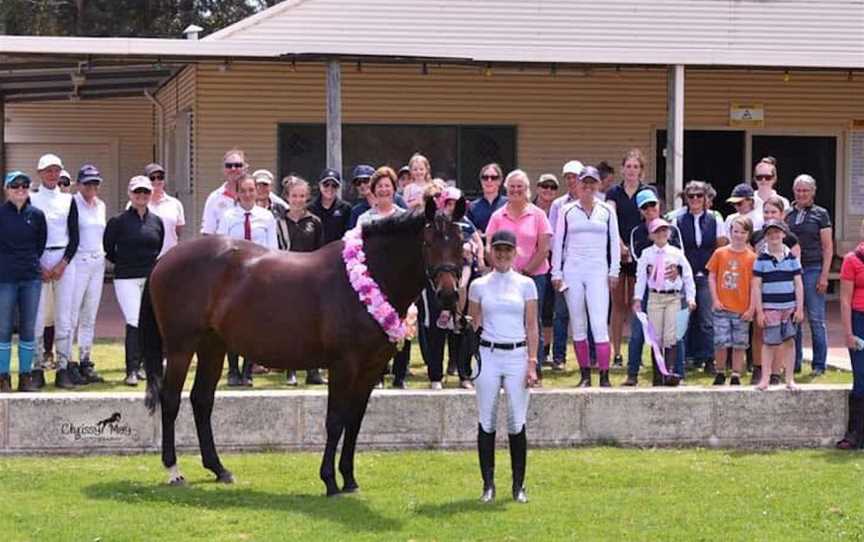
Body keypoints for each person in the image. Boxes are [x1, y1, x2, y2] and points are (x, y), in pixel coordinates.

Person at [467, 229, 538, 504]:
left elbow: (531, 325)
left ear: (515, 252)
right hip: (488, 354)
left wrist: (532, 362)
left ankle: (518, 486)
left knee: (516, 420)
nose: (503, 254)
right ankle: (488, 485)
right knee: (486, 420)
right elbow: (474, 324)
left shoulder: (525, 284)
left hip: (517, 355)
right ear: (491, 252)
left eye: (508, 250)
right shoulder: (479, 285)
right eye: (498, 249)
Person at [551, 166, 620, 387]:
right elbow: (558, 242)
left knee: (599, 323)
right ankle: (585, 375)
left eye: (592, 183)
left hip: (598, 270)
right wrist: (557, 272)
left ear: (598, 185)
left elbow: (614, 242)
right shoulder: (567, 211)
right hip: (573, 270)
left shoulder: (607, 210)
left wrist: (614, 271)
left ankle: (605, 376)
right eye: (584, 183)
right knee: (578, 323)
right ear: (578, 186)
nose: (588, 187)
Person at [487, 170, 552, 380]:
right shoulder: (498, 216)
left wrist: (525, 272)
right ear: (506, 189)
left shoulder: (538, 215)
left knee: (533, 321)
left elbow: (543, 249)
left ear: (527, 190)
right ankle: (507, 368)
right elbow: (489, 247)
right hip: (503, 277)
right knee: (507, 319)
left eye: (520, 187)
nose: (516, 190)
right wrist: (503, 269)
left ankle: (535, 368)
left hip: (534, 277)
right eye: (512, 187)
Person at [217, 175, 278, 386]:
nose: (248, 194)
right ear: (237, 193)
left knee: (252, 325)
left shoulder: (266, 217)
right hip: (234, 278)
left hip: (258, 278)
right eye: (243, 190)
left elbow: (272, 249)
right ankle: (233, 371)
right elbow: (221, 247)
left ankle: (248, 372)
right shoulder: (228, 216)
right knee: (232, 325)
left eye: (251, 190)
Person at [104, 176, 164, 386]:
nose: (141, 196)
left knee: (151, 321)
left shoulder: (156, 221)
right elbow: (109, 249)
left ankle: (145, 366)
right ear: (130, 194)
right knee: (134, 320)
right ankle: (131, 370)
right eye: (137, 192)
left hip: (150, 277)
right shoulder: (118, 222)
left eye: (145, 192)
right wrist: (124, 263)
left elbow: (159, 247)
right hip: (126, 277)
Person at [29, 153, 80, 389]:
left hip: (63, 260)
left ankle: (63, 367)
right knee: (38, 317)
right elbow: (27, 236)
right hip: (38, 260)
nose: (52, 174)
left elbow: (74, 235)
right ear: (40, 173)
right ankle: (37, 368)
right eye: (47, 170)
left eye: (56, 170)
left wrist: (63, 263)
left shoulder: (69, 201)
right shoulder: (31, 199)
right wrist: (38, 264)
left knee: (64, 316)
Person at [623, 189, 682, 386]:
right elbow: (639, 257)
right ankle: (633, 374)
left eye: (652, 205)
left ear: (659, 205)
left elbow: (679, 256)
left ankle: (676, 373)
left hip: (670, 286)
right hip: (649, 287)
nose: (650, 210)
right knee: (640, 331)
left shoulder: (672, 229)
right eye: (645, 207)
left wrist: (676, 271)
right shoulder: (637, 232)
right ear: (640, 210)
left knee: (673, 332)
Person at [633, 218, 696, 385]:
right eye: (657, 232)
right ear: (651, 235)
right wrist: (637, 298)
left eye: (664, 231)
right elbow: (640, 278)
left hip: (673, 297)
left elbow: (687, 275)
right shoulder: (647, 254)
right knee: (655, 337)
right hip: (655, 297)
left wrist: (690, 297)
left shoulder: (676, 252)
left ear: (669, 233)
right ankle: (657, 375)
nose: (661, 234)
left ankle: (669, 372)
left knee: (671, 335)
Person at [605, 149, 653, 368]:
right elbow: (611, 219)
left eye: (636, 167)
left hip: (641, 254)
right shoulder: (613, 193)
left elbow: (651, 219)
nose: (632, 170)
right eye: (628, 166)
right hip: (617, 251)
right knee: (618, 305)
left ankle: (636, 353)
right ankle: (616, 353)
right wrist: (621, 247)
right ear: (622, 169)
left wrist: (633, 249)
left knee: (637, 303)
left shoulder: (647, 191)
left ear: (641, 170)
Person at [0, 171, 46, 392]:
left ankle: (25, 376)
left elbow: (40, 245)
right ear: (6, 189)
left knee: (28, 327)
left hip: (31, 279)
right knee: (4, 328)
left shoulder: (36, 215)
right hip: (5, 279)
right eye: (15, 186)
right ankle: (3, 377)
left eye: (24, 186)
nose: (20, 190)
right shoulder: (1, 214)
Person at [676, 180, 728, 375]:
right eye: (691, 196)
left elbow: (721, 246)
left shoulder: (715, 219)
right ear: (686, 199)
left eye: (700, 195)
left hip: (707, 275)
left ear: (706, 198)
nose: (696, 199)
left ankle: (708, 358)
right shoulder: (679, 220)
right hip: (686, 276)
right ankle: (686, 358)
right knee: (685, 318)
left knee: (707, 319)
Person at [281, 176, 328, 386]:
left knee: (312, 325)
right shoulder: (280, 222)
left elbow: (321, 251)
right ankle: (290, 370)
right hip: (287, 278)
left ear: (307, 198)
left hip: (310, 280)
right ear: (287, 197)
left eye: (302, 196)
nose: (298, 200)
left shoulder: (315, 222)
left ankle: (313, 370)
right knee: (290, 324)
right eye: (294, 196)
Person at [748, 196, 800, 385]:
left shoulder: (791, 250)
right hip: (767, 299)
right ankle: (762, 373)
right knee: (764, 337)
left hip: (787, 302)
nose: (774, 236)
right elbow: (755, 279)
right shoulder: (758, 249)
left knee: (786, 340)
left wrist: (799, 306)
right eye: (766, 212)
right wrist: (758, 307)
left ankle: (783, 376)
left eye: (773, 212)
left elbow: (798, 280)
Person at [786, 174, 832, 376]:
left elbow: (828, 247)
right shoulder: (787, 214)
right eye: (798, 190)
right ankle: (794, 363)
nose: (802, 193)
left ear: (813, 192)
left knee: (816, 319)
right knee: (794, 318)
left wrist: (824, 275)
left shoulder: (821, 214)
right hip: (791, 271)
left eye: (806, 190)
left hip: (813, 269)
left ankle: (819, 365)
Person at [706, 216, 756, 386]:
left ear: (748, 234)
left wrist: (751, 308)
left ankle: (736, 373)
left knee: (739, 343)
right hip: (722, 306)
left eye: (743, 232)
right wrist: (715, 299)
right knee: (720, 342)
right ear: (730, 232)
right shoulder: (720, 253)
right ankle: (720, 371)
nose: (739, 235)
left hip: (741, 308)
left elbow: (755, 285)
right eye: (735, 231)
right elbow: (712, 275)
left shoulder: (752, 257)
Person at [68, 165, 107, 384]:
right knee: (72, 315)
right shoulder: (72, 203)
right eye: (87, 183)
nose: (91, 187)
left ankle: (85, 360)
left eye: (95, 183)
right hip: (78, 262)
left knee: (89, 316)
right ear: (78, 183)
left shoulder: (101, 205)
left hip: (97, 262)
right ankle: (68, 362)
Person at [547, 160, 584, 370]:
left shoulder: (596, 203)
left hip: (586, 264)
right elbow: (553, 238)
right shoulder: (558, 205)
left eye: (575, 177)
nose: (571, 181)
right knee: (560, 313)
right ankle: (559, 358)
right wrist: (557, 267)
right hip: (564, 264)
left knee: (586, 311)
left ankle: (592, 357)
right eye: (568, 177)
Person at [837, 222, 864, 449]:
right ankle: (854, 434)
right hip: (859, 321)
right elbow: (845, 300)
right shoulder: (851, 260)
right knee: (861, 378)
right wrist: (848, 332)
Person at [533, 173, 559, 366]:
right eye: (544, 186)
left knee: (550, 309)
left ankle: (547, 350)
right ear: (537, 187)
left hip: (555, 264)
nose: (547, 190)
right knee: (535, 308)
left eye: (552, 187)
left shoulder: (560, 209)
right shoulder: (530, 208)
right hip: (535, 263)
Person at [201, 148, 247, 235]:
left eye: (238, 165)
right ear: (224, 169)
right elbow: (208, 232)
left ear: (245, 168)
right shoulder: (214, 198)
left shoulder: (254, 195)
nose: (233, 169)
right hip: (224, 247)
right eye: (229, 165)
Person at [144, 163, 185, 257]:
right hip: (145, 258)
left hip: (170, 257)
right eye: (152, 178)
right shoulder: (136, 204)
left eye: (160, 177)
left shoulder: (175, 204)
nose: (157, 180)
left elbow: (178, 231)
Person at [309, 168, 351, 245]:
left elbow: (348, 235)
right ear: (320, 185)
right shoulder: (310, 208)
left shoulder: (346, 208)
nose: (330, 188)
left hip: (337, 253)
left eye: (334, 185)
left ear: (338, 187)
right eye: (326, 184)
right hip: (315, 254)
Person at [253, 169, 290, 250]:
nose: (261, 189)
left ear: (271, 187)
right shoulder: (248, 210)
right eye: (258, 185)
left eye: (265, 185)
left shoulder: (281, 209)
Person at [466, 163, 507, 234]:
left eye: (493, 178)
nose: (489, 180)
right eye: (485, 177)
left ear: (500, 181)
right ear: (481, 181)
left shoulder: (508, 204)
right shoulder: (472, 207)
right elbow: (468, 233)